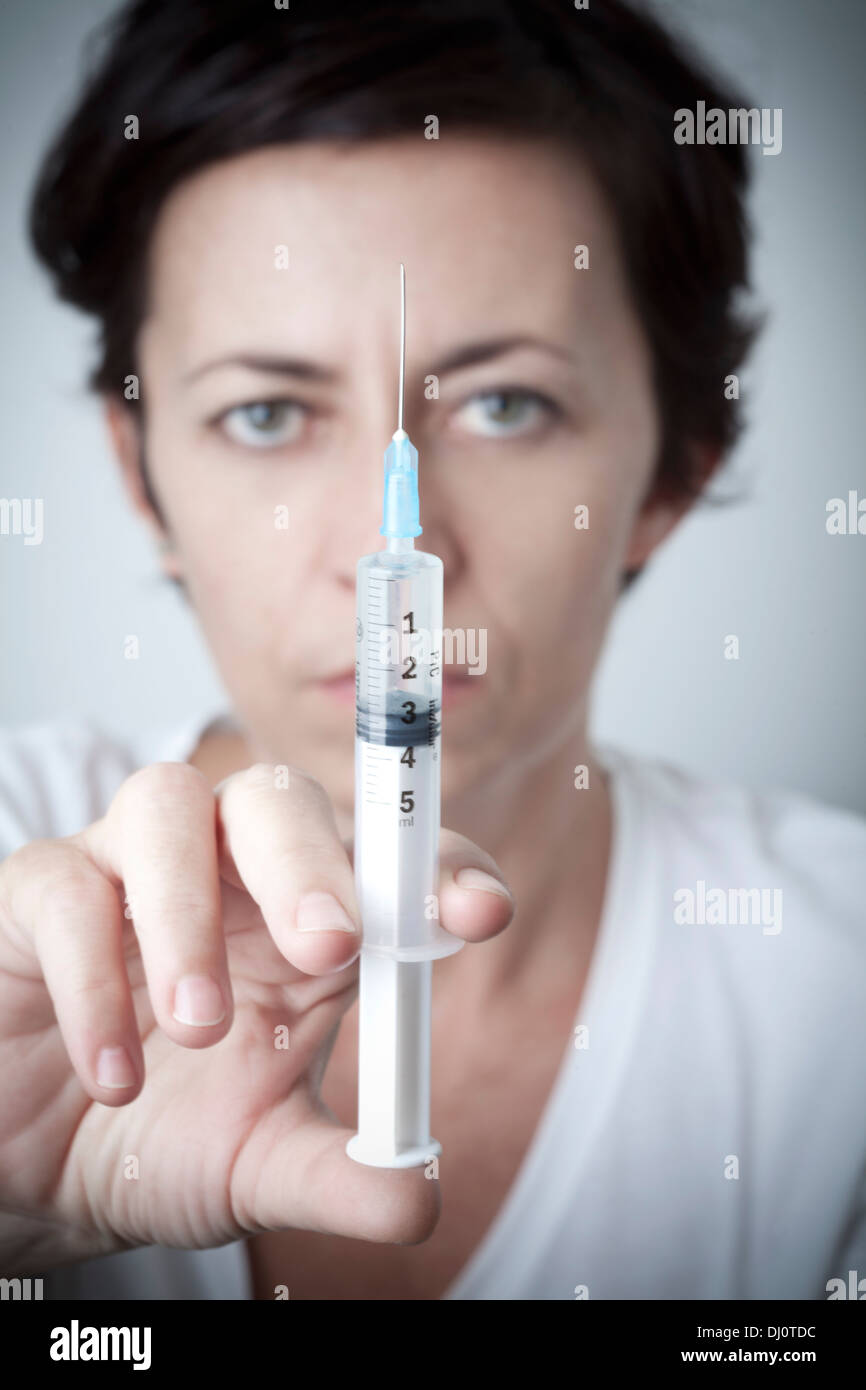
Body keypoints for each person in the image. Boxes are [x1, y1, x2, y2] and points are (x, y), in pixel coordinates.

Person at [1, 0, 864, 1301]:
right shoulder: (10, 884)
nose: (378, 547)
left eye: (506, 403)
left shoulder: (834, 988)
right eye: (266, 411)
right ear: (141, 473)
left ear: (676, 467)